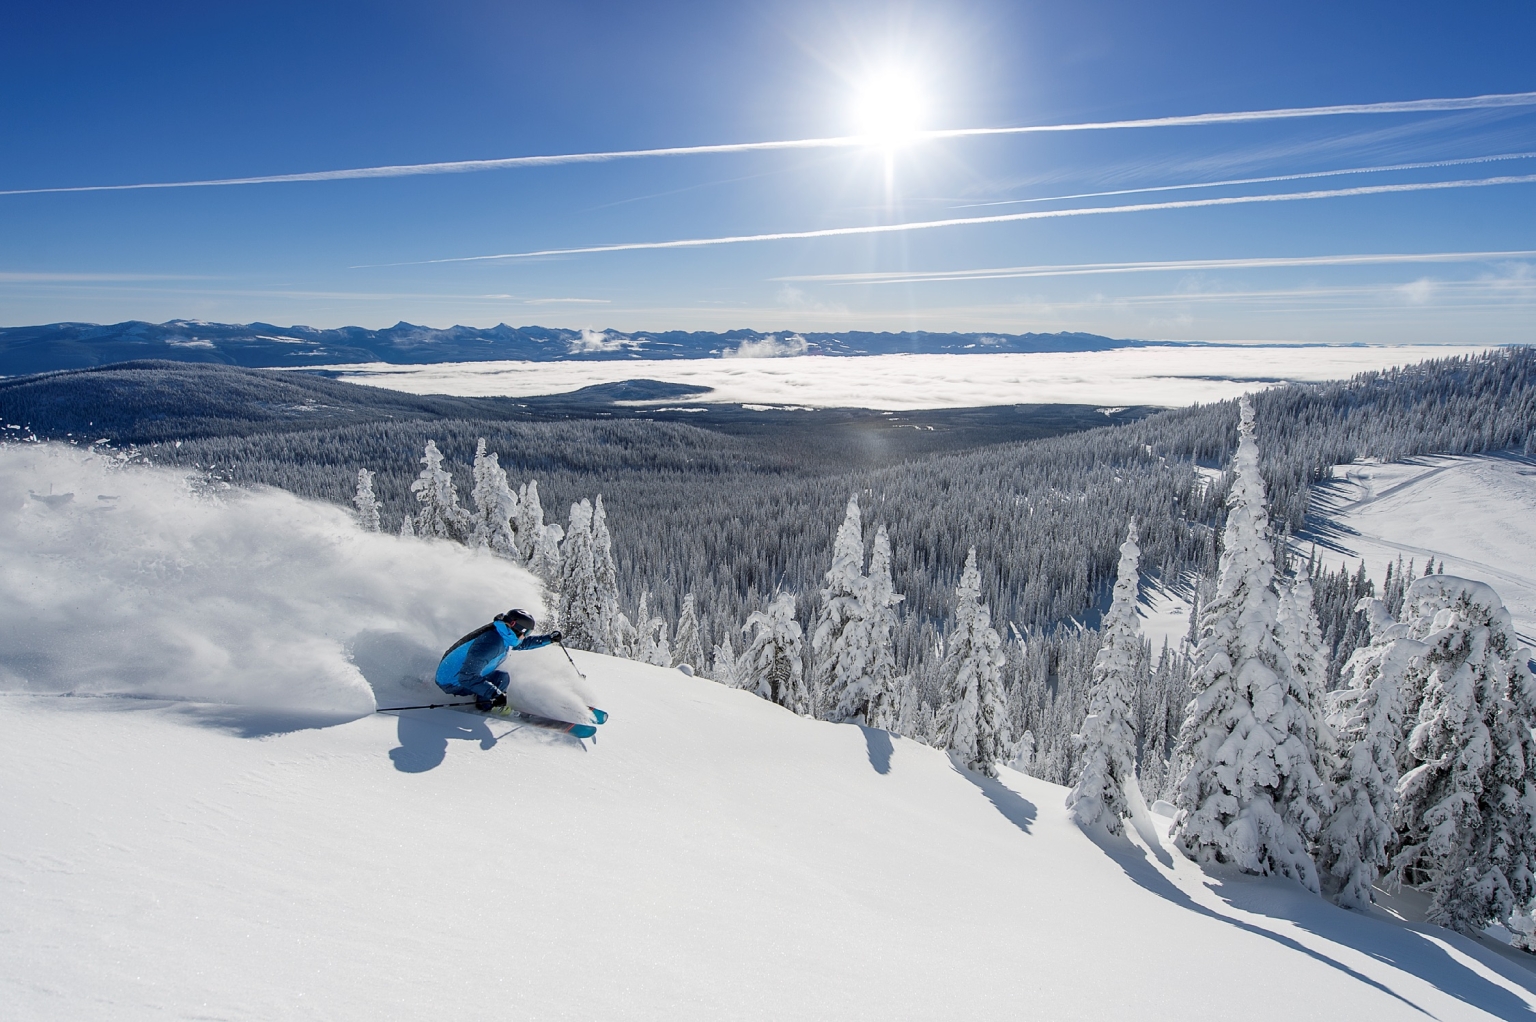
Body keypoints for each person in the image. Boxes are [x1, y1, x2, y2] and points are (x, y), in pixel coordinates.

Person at [435, 608, 561, 712]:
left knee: (501, 678)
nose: (525, 636)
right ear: (516, 628)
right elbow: (466, 677)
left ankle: (485, 697)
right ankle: (486, 706)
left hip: (454, 675)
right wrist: (494, 694)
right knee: (501, 679)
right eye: (526, 633)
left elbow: (521, 643)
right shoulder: (491, 644)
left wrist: (548, 639)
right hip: (452, 683)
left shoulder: (502, 633)